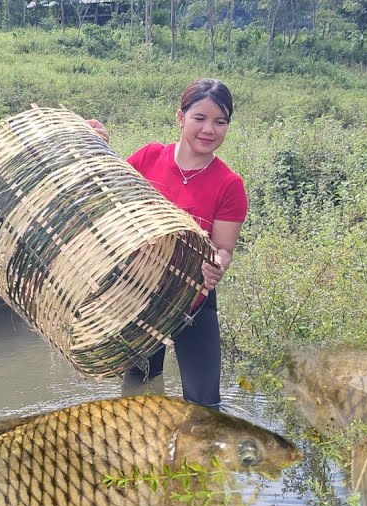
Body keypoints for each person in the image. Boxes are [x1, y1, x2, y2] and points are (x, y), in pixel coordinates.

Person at [85, 78, 247, 410]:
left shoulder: (229, 184)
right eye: (200, 118)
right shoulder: (149, 158)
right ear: (181, 117)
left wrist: (216, 265)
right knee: (137, 392)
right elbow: (110, 195)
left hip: (193, 297)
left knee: (204, 404)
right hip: (140, 295)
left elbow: (223, 249)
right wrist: (99, 146)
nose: (209, 129)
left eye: (220, 121)